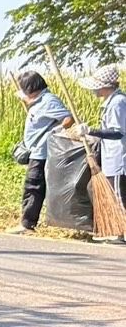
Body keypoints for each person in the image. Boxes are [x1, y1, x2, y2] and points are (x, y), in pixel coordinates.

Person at [9, 69, 74, 234]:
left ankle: (27, 224)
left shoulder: (49, 101)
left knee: (33, 186)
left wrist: (54, 132)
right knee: (33, 186)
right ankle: (28, 222)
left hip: (42, 152)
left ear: (32, 88)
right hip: (35, 150)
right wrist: (25, 98)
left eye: (25, 89)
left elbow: (68, 118)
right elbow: (31, 102)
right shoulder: (38, 100)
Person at [82, 63, 125, 243]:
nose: (94, 91)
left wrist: (91, 130)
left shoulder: (118, 103)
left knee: (119, 197)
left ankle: (122, 233)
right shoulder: (111, 103)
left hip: (119, 159)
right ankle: (118, 231)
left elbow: (118, 132)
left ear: (106, 86)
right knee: (115, 195)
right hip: (111, 159)